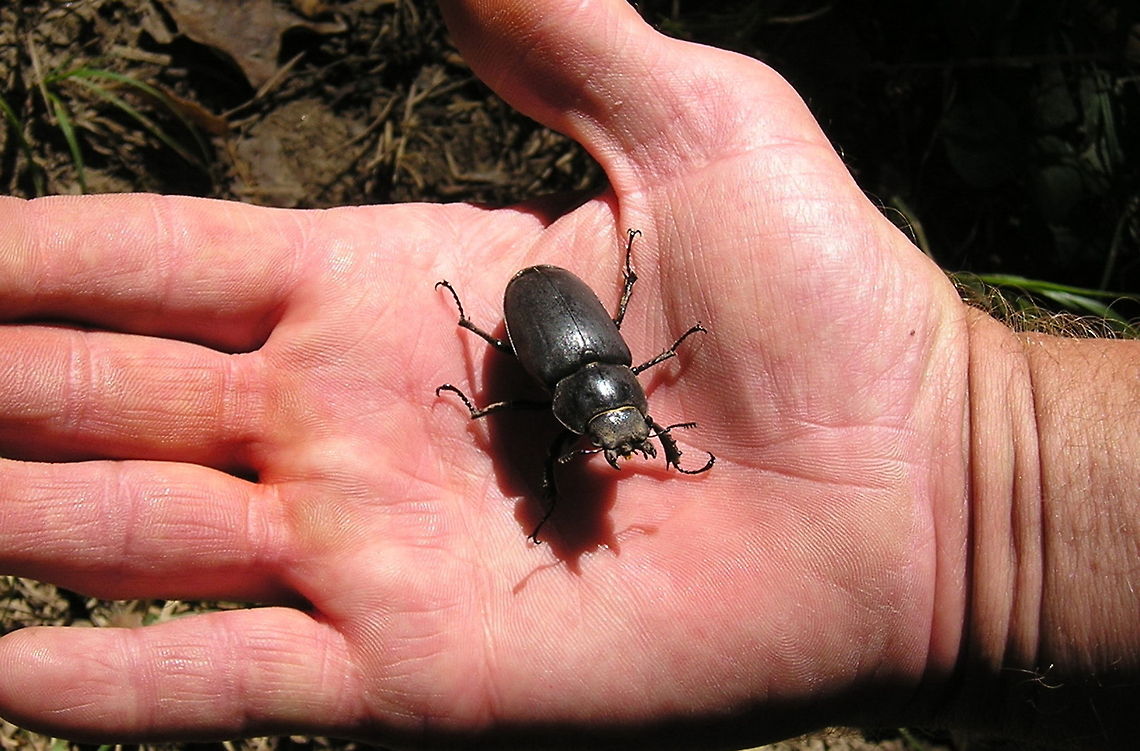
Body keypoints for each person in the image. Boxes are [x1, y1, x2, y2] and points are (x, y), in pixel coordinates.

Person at [0, 0, 1136, 747]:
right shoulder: (560, 397)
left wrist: (971, 472)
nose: (622, 447)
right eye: (624, 435)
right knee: (508, 376)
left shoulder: (603, 394)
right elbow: (542, 403)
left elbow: (609, 415)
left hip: (560, 333)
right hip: (542, 327)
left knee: (564, 374)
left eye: (623, 435)